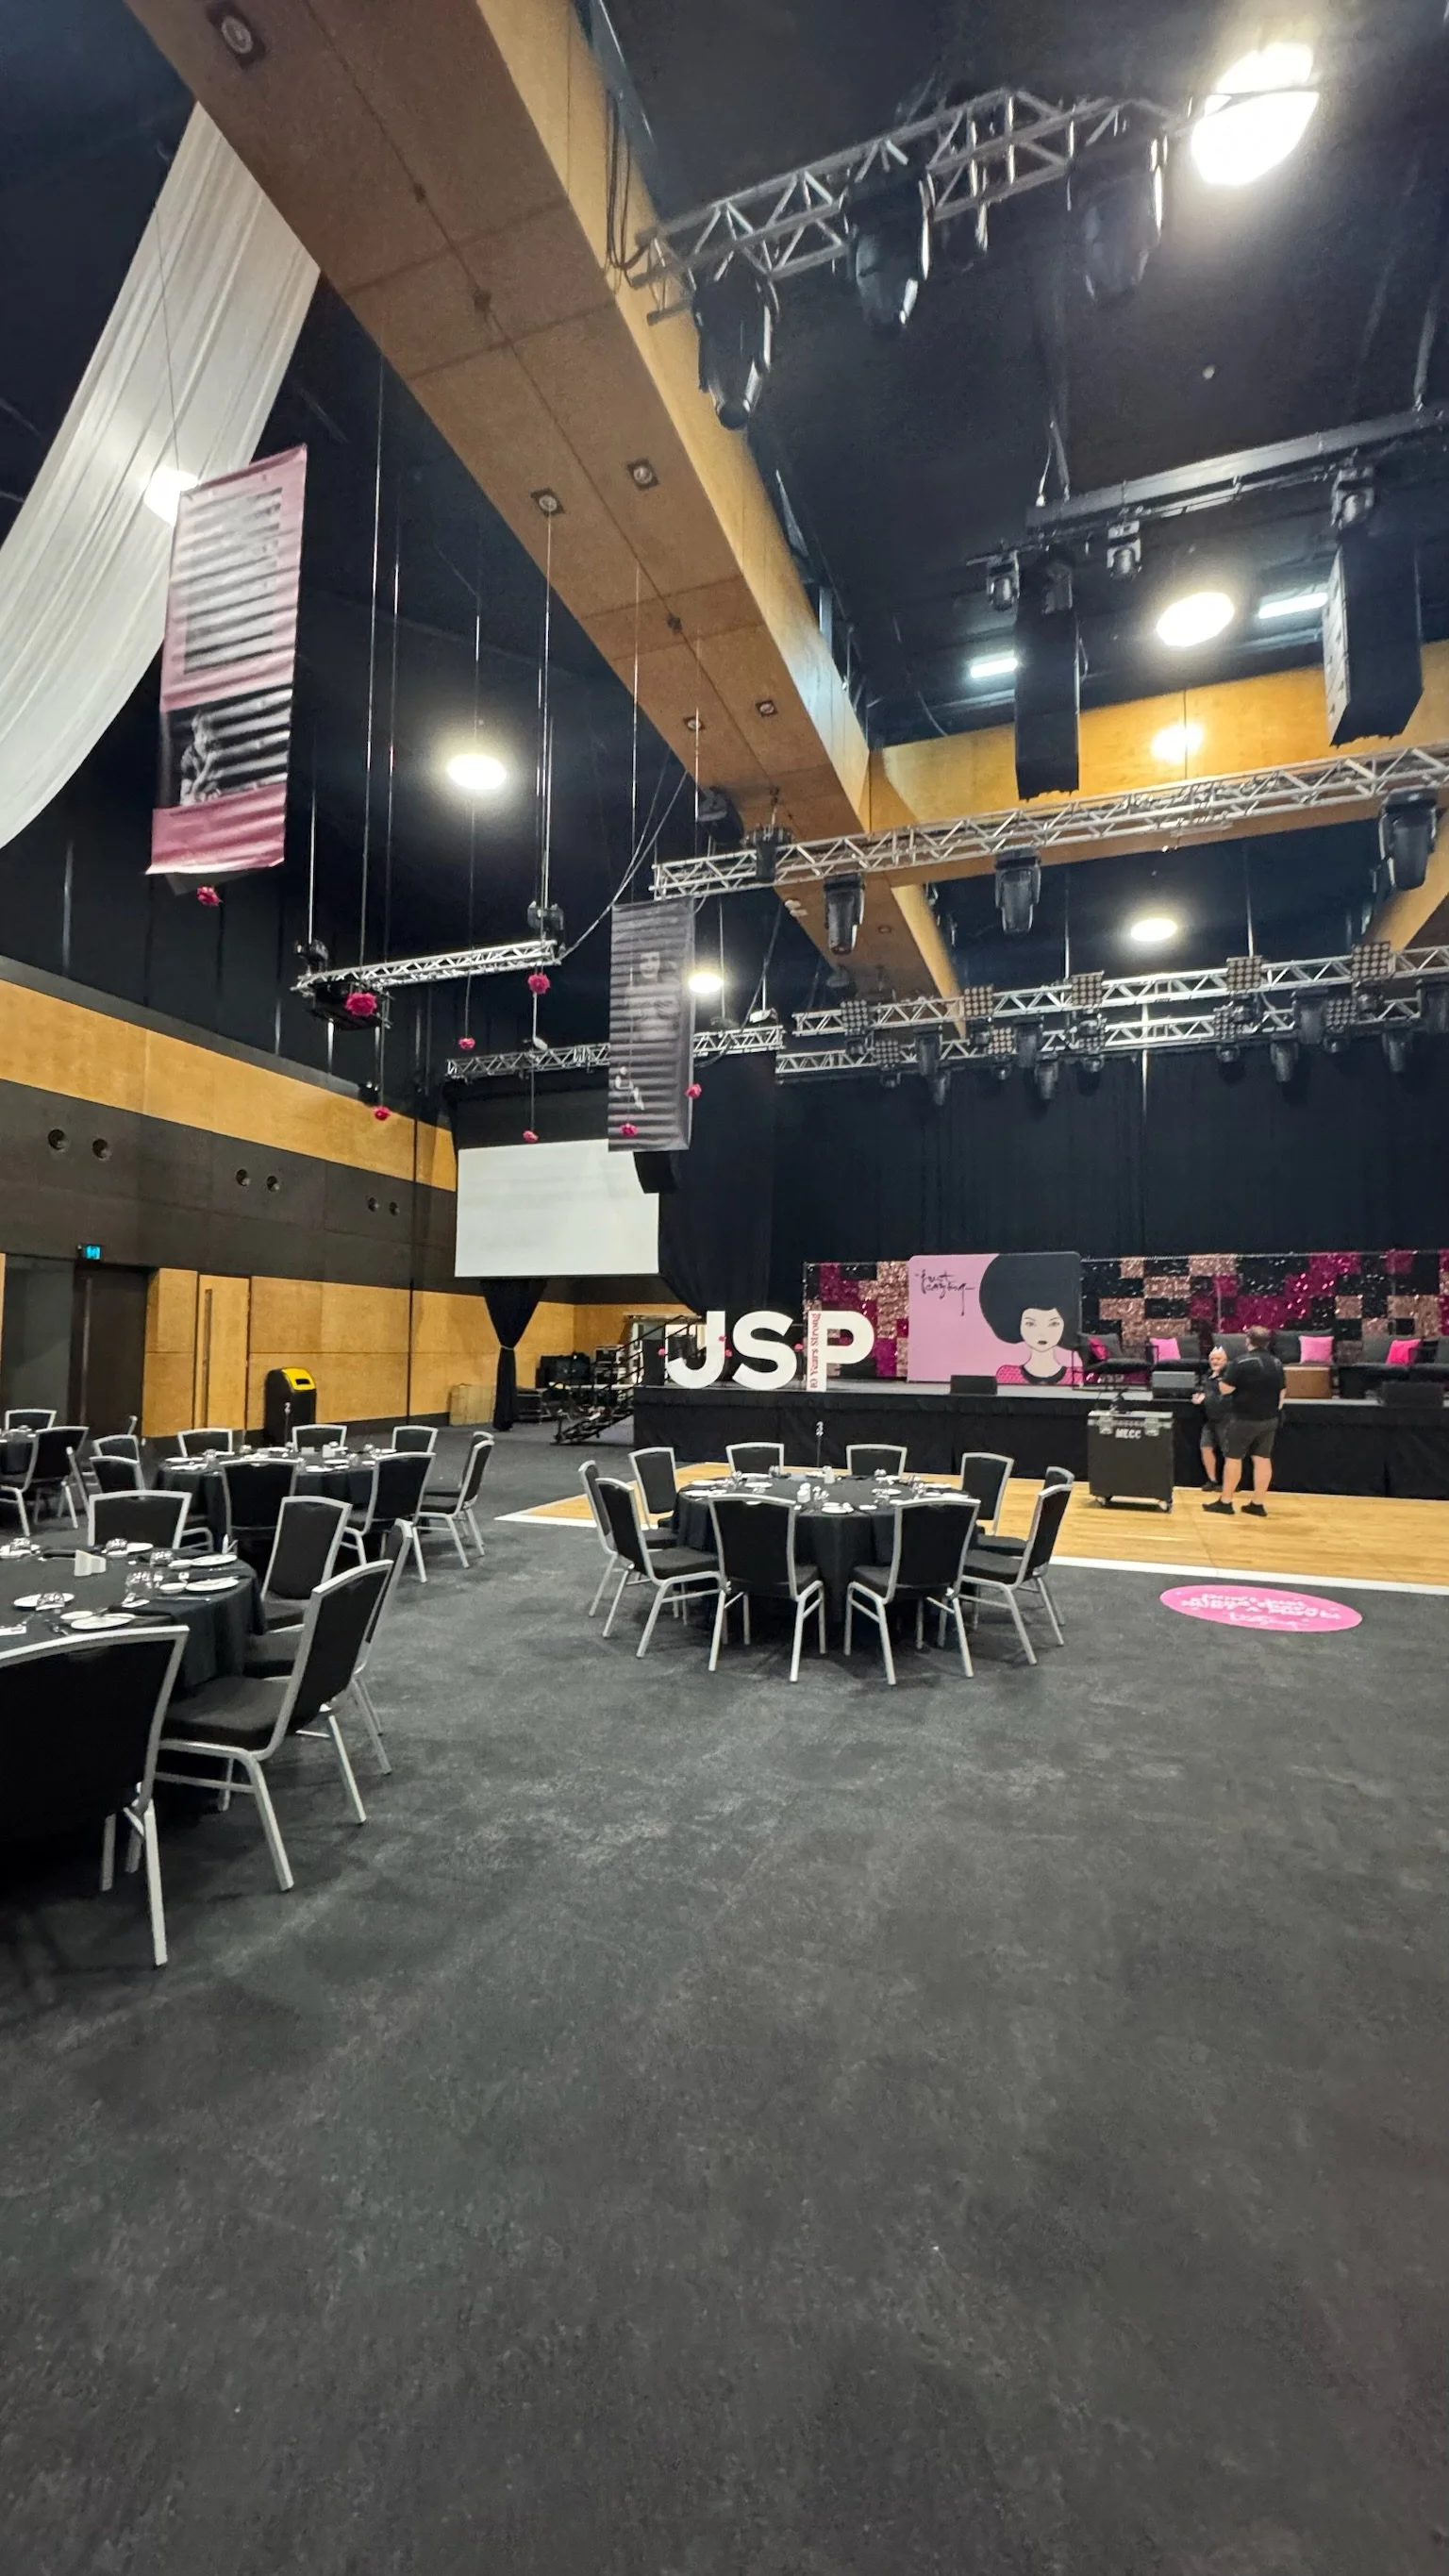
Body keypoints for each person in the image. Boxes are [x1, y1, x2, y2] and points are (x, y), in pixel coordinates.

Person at [1203, 1325, 1285, 1516]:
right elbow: (1282, 1391)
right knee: (1262, 1459)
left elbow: (1226, 1390)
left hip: (1243, 1418)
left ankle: (1226, 1501)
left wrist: (1220, 1381)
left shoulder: (1240, 1363)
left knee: (1234, 1458)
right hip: (1269, 1418)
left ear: (1248, 1340)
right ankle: (1257, 1503)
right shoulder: (1276, 1363)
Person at [977, 1251, 1085, 1387]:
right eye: (1031, 1324)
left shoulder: (1076, 1375)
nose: (1042, 1333)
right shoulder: (1007, 1374)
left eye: (1053, 1324)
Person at [1192, 1344, 1232, 1489]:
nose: (1215, 1362)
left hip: (1226, 1419)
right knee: (1205, 1447)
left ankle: (1230, 1482)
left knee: (1228, 1452)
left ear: (1225, 1360)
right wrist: (1200, 1396)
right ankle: (1212, 1480)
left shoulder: (1229, 1375)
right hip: (1210, 1419)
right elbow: (1203, 1390)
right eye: (1212, 1359)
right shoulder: (1208, 1375)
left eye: (1218, 1359)